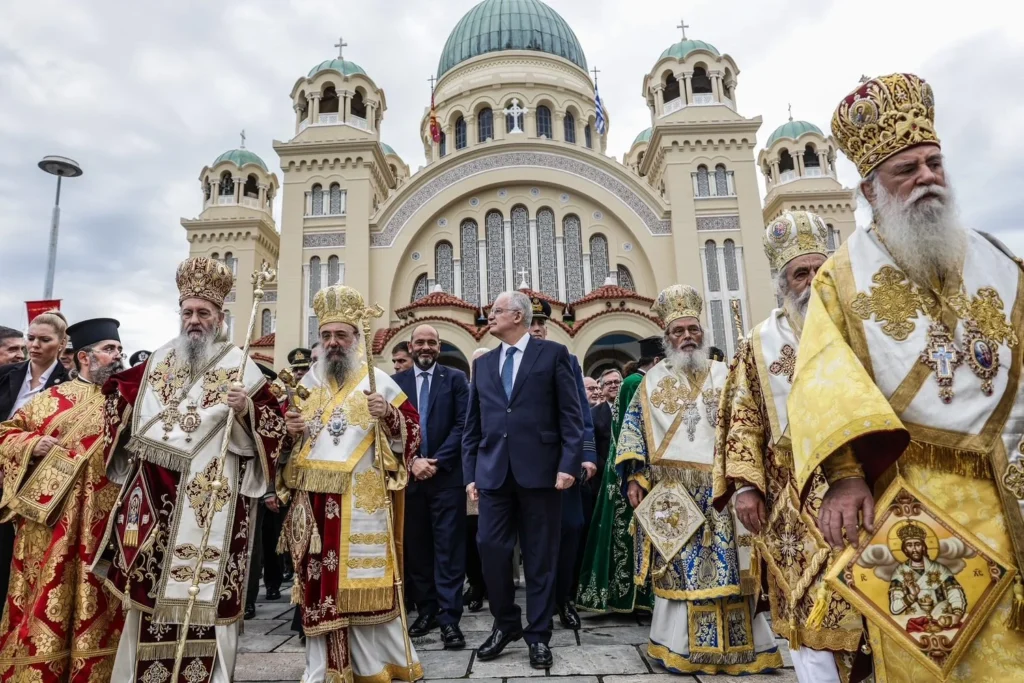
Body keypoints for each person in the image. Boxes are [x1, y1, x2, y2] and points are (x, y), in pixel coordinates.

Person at [788, 72, 1024, 681]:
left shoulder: (1002, 263)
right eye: (907, 169)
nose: (927, 177)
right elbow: (823, 385)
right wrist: (845, 478)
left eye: (934, 163)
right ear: (871, 188)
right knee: (931, 661)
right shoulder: (840, 281)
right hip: (913, 500)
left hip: (1013, 491)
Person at [95, 257, 286, 683]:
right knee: (149, 600)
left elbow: (273, 428)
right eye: (187, 312)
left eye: (203, 312)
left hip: (215, 498)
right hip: (157, 502)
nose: (194, 320)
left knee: (208, 603)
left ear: (220, 316)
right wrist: (121, 408)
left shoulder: (240, 366)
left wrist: (246, 411)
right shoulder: (158, 360)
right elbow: (118, 400)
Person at [713, 211, 863, 682]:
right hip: (789, 503)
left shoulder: (861, 325)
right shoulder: (758, 343)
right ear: (783, 282)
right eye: (801, 273)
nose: (813, 280)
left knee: (871, 600)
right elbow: (743, 418)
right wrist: (745, 487)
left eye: (821, 269)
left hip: (866, 488)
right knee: (806, 610)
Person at [618, 285, 781, 674]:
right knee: (683, 571)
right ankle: (681, 648)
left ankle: (743, 650)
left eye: (693, 329)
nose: (687, 336)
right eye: (679, 331)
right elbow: (633, 430)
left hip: (726, 492)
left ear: (702, 332)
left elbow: (749, 423)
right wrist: (635, 477)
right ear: (667, 337)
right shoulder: (651, 381)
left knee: (734, 571)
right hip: (677, 496)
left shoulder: (727, 374)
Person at [280, 284, 423, 683]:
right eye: (326, 335)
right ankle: (324, 668)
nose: (333, 342)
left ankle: (372, 665)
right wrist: (290, 432)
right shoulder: (308, 383)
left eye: (341, 335)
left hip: (361, 502)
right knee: (318, 585)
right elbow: (287, 444)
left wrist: (389, 416)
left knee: (358, 586)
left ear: (356, 338)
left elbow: (412, 433)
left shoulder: (379, 381)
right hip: (315, 503)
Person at [462, 290, 584, 668]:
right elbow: (473, 425)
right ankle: (505, 623)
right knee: (490, 549)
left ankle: (539, 635)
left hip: (542, 473)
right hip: (493, 474)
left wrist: (569, 464)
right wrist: (470, 474)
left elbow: (571, 416)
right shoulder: (484, 364)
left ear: (517, 316)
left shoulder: (553, 354)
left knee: (540, 556)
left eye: (496, 310)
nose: (489, 316)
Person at [0, 318, 125, 681]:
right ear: (85, 357)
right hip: (50, 526)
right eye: (109, 349)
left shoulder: (127, 401)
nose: (118, 356)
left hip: (104, 524)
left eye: (119, 349)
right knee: (44, 598)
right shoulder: (49, 401)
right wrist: (32, 444)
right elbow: (6, 434)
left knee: (101, 603)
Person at [393, 324, 470, 649]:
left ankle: (450, 619)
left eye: (431, 342)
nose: (425, 347)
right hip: (409, 479)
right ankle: (427, 611)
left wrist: (435, 461)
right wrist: (412, 461)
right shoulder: (395, 383)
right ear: (410, 347)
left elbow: (463, 424)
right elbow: (388, 429)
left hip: (446, 478)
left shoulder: (455, 379)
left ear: (439, 346)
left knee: (449, 550)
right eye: (420, 342)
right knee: (418, 550)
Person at [576, 336, 662, 614]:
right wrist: (636, 472)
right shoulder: (636, 383)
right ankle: (632, 596)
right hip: (634, 471)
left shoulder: (635, 382)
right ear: (657, 361)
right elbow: (634, 433)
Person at [526, 297, 597, 631]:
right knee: (535, 535)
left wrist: (586, 453)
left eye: (541, 323)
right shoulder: (509, 361)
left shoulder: (567, 359)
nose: (537, 329)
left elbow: (581, 411)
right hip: (528, 464)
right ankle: (540, 601)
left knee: (571, 527)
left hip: (564, 460)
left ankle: (565, 597)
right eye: (531, 323)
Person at [0, 311, 71, 615]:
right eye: (31, 338)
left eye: (44, 339)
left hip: (34, 483)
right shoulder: (7, 374)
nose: (34, 345)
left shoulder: (68, 384)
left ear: (61, 343)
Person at [245, 364, 287, 619]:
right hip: (238, 480)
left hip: (264, 483)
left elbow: (275, 451)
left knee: (262, 542)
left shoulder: (269, 406)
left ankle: (251, 597)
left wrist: (271, 490)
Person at [463, 347, 490, 613]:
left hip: (492, 475)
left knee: (492, 537)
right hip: (470, 476)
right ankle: (476, 586)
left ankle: (494, 584)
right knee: (471, 536)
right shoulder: (465, 391)